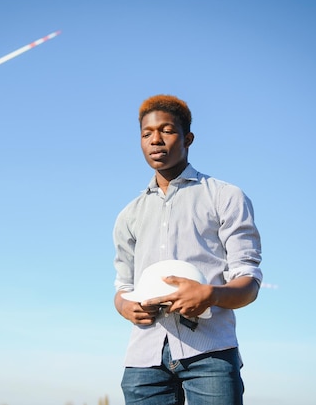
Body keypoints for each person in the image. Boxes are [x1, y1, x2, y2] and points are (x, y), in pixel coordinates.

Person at [113, 94, 263, 405]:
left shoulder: (225, 196)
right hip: (144, 362)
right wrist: (125, 306)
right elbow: (123, 287)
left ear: (188, 138)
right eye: (146, 133)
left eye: (167, 130)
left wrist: (211, 295)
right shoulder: (129, 215)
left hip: (209, 353)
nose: (156, 140)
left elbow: (249, 281)